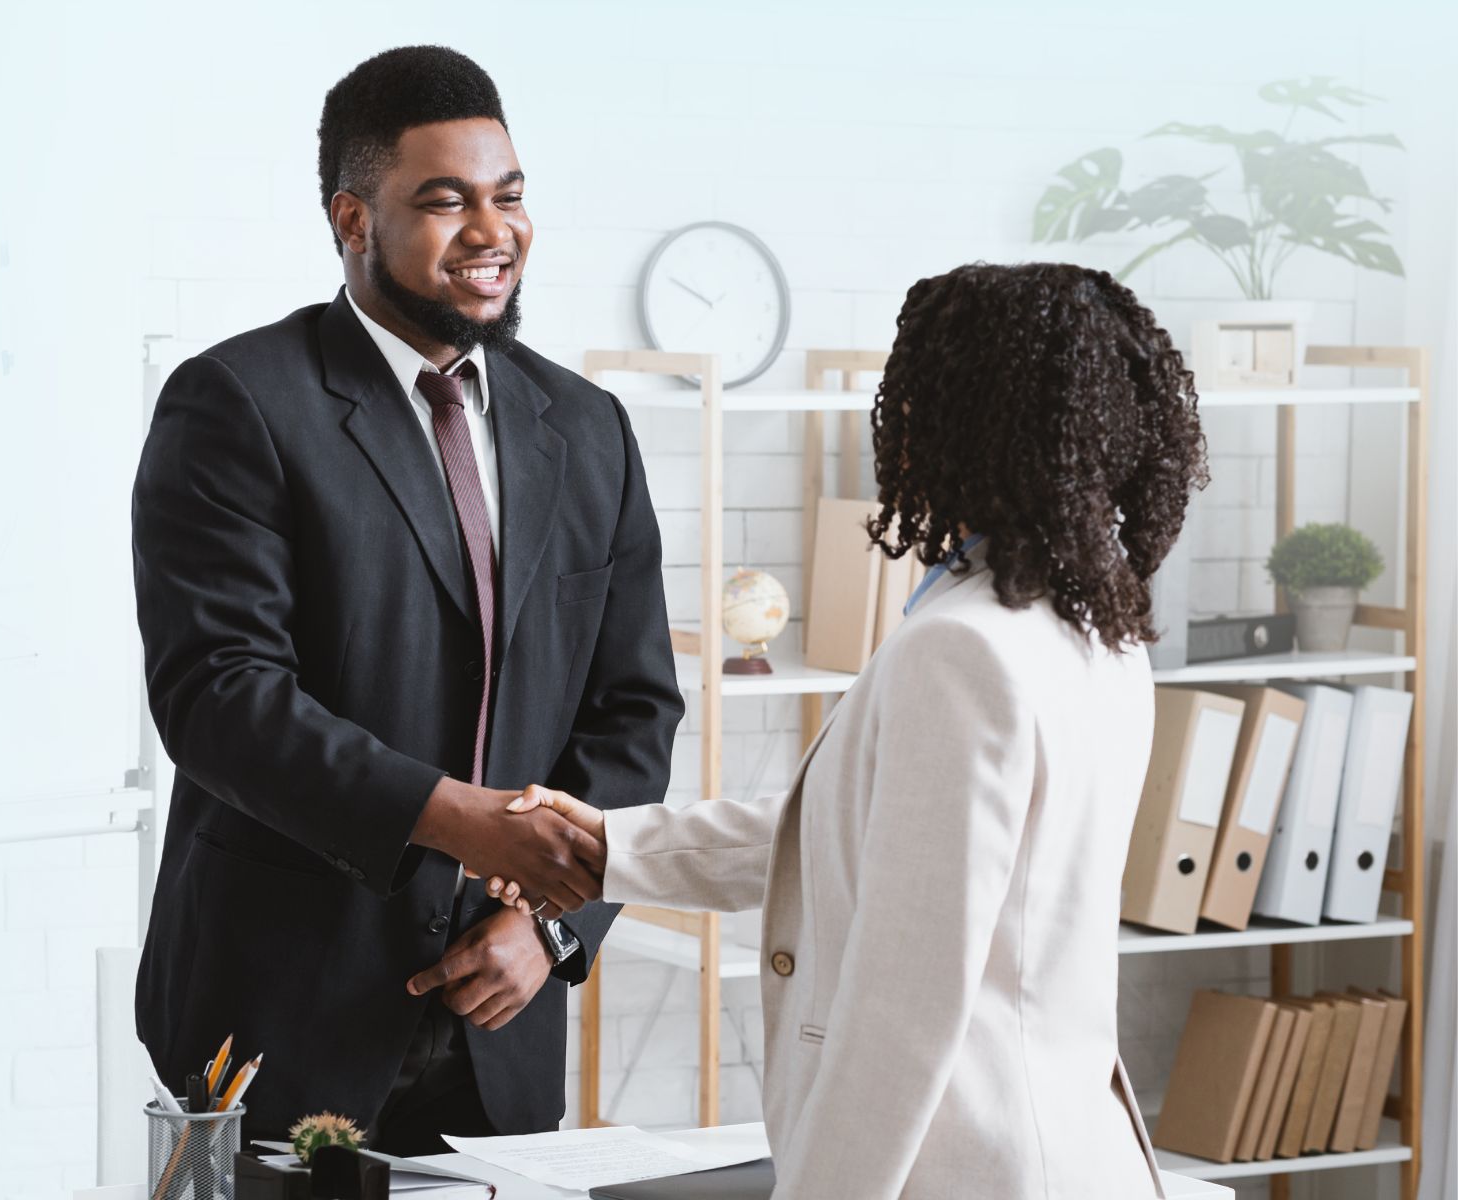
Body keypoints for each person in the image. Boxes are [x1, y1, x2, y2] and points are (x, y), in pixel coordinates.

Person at [492, 263, 1209, 1198]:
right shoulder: (1096, 626)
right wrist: (611, 849)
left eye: (911, 386)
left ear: (960, 416)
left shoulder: (960, 650)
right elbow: (873, 836)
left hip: (969, 1172)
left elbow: (903, 1011)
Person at [131, 45, 681, 1151]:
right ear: (352, 220)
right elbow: (221, 699)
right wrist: (451, 816)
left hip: (499, 1027)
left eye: (508, 197)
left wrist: (550, 927)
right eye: (445, 202)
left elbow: (634, 712)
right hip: (280, 1009)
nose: (492, 232)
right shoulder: (238, 403)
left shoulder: (588, 429)